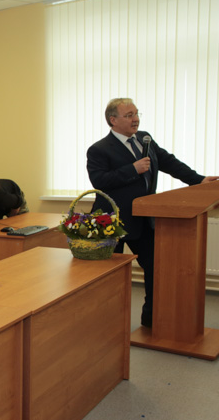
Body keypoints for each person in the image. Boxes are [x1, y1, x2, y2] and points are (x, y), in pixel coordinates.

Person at [86, 98, 218, 328]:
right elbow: (99, 181)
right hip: (111, 222)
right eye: (129, 115)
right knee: (106, 275)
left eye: (136, 113)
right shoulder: (99, 149)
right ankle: (105, 325)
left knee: (156, 269)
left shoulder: (144, 138)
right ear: (113, 120)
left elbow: (169, 163)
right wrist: (132, 169)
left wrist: (198, 180)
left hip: (143, 218)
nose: (135, 119)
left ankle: (150, 321)